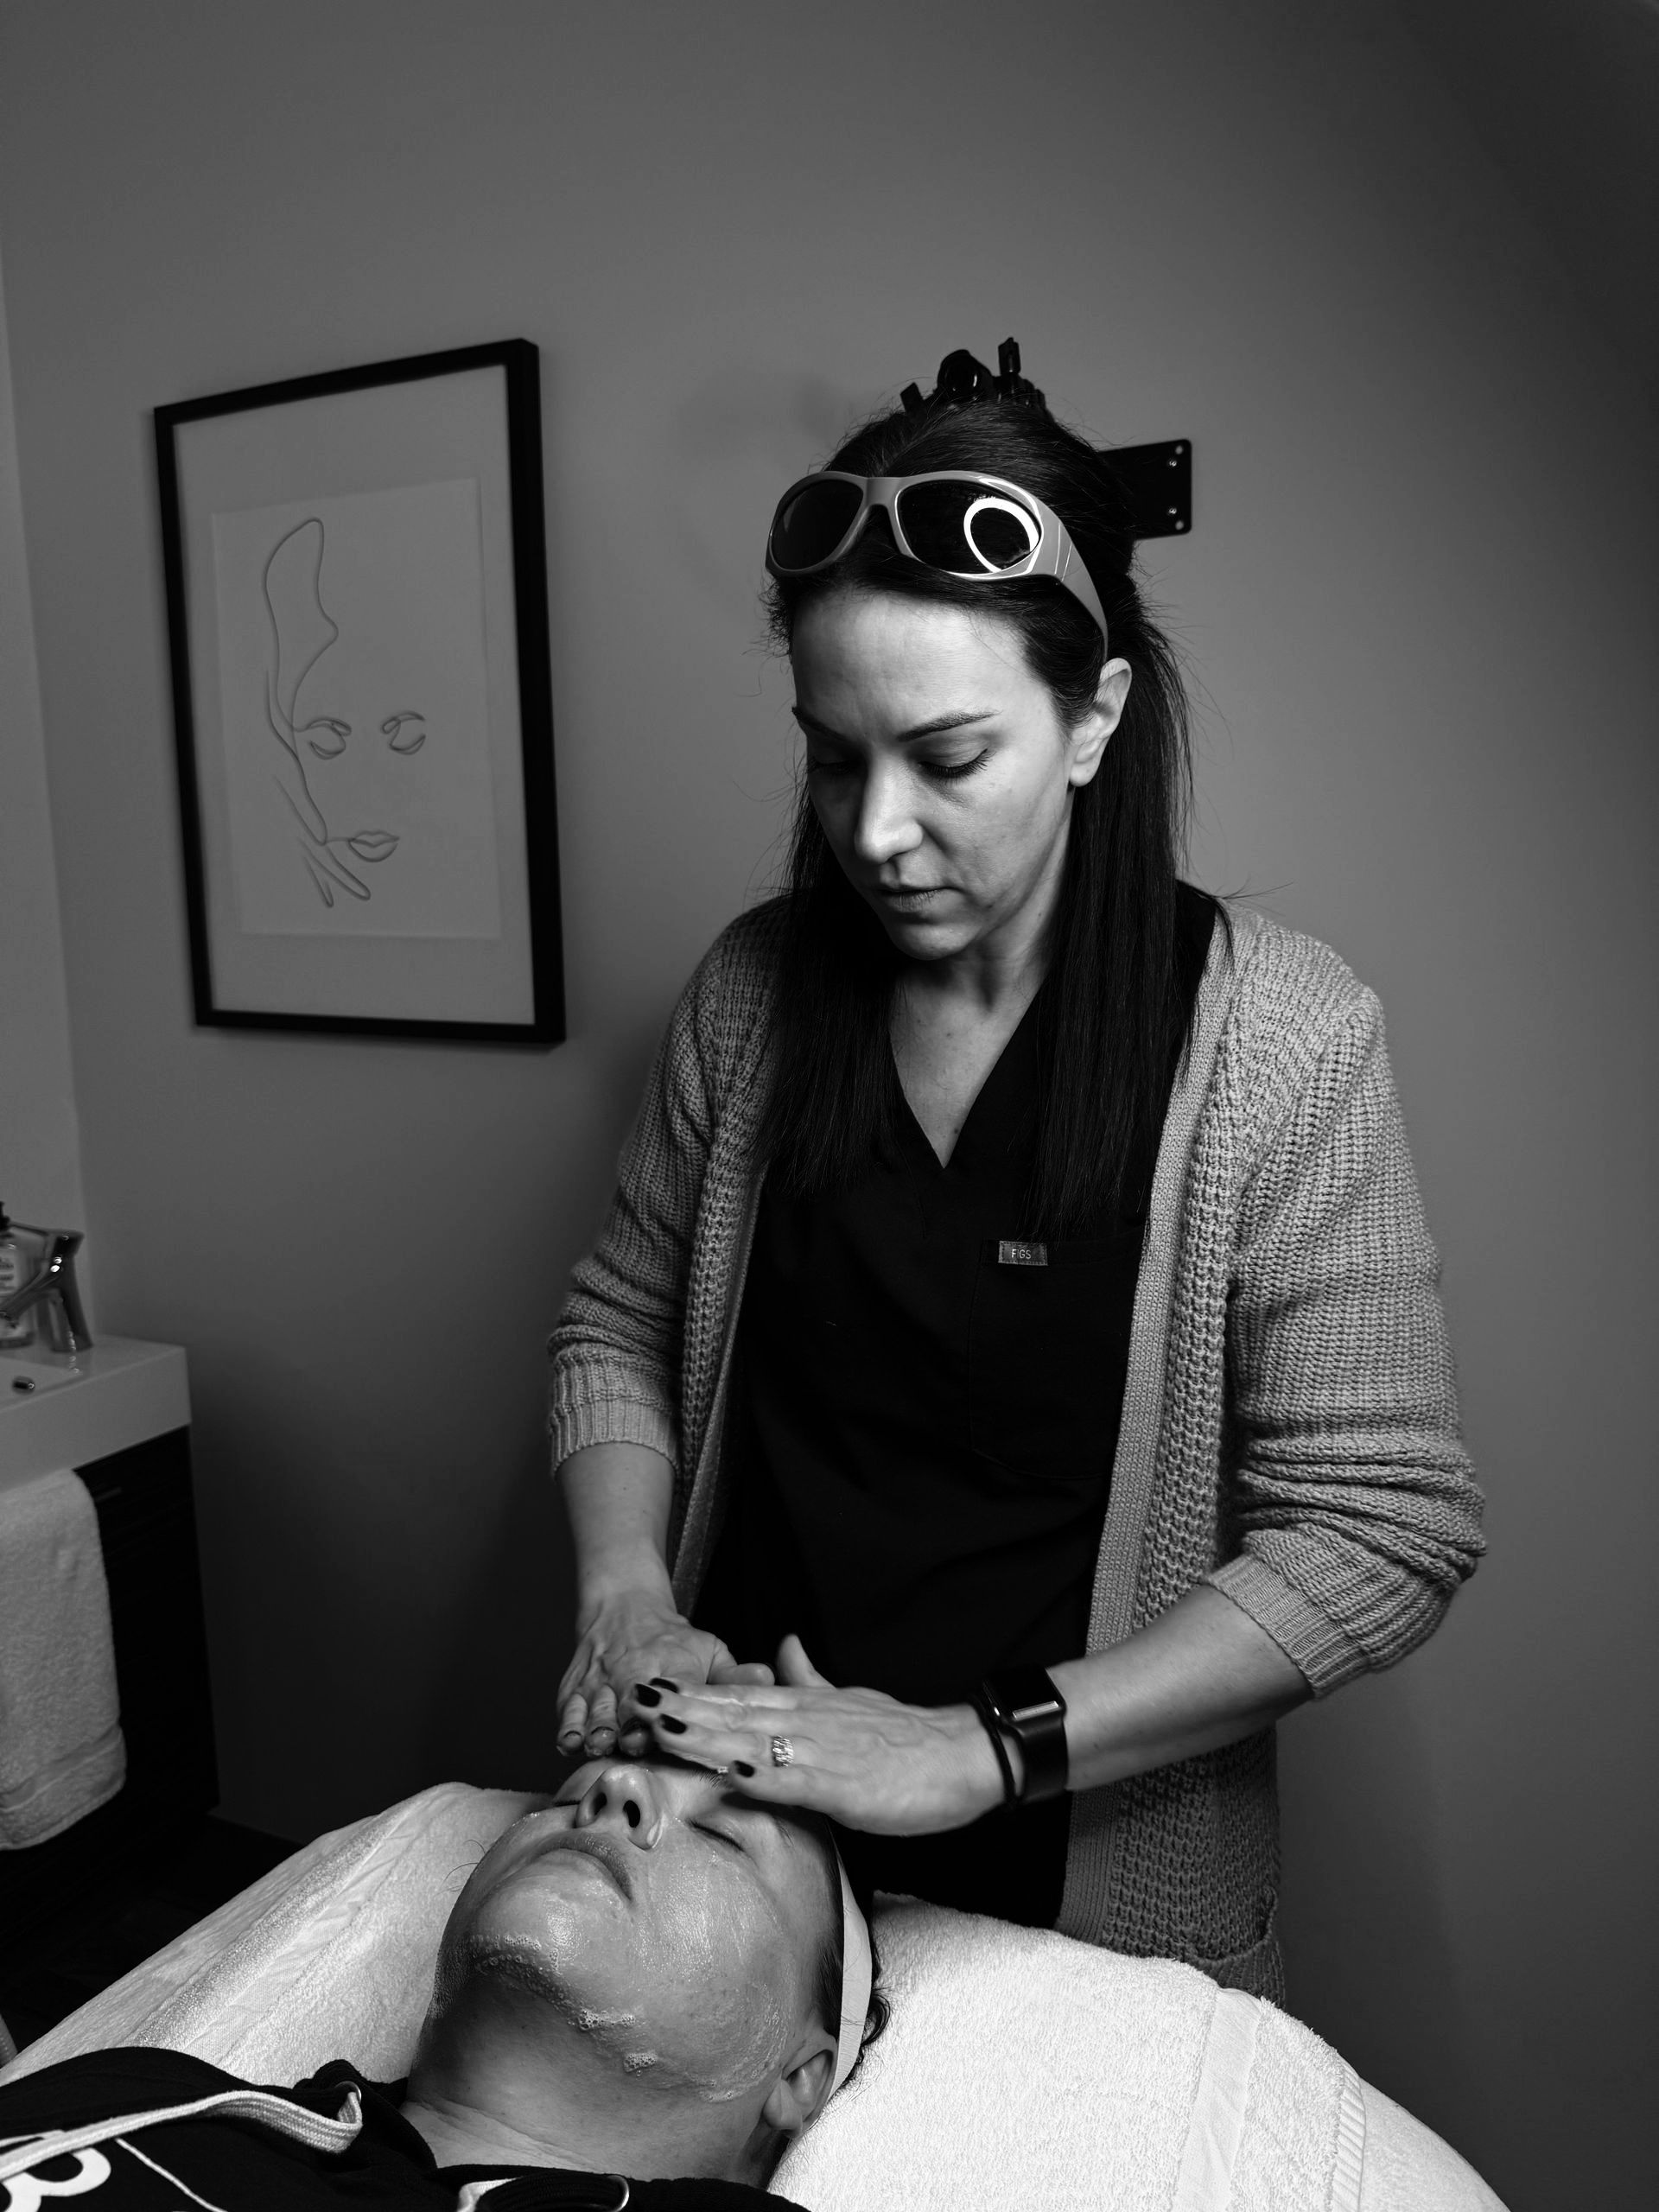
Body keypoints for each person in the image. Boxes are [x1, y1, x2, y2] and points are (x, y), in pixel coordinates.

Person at [549, 341, 1485, 1999]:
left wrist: (982, 1749)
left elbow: (1379, 1530)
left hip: (1074, 1886)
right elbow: (617, 1324)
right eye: (833, 755)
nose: (874, 832)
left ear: (1092, 718)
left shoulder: (1279, 1039)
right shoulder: (751, 997)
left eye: (947, 757)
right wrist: (626, 1591)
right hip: (725, 1829)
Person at [0, 1758, 882, 2211]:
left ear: (801, 2075)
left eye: (725, 1837)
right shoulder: (156, 2092)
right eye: (567, 1794)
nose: (613, 1785)